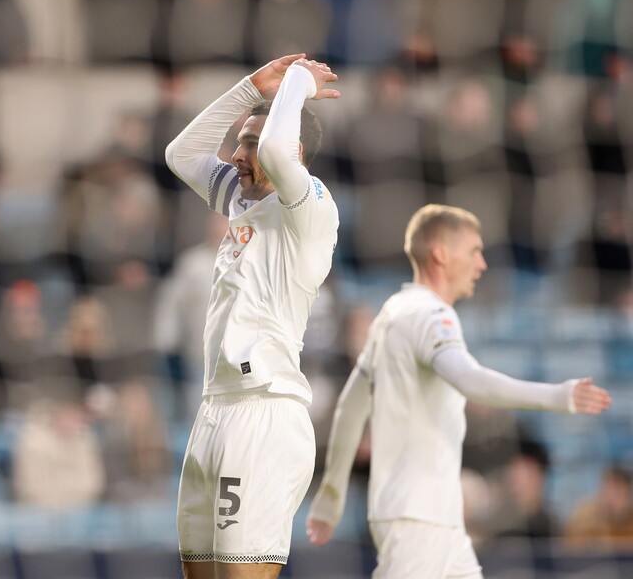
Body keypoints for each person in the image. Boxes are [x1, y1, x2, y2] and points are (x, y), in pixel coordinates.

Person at [305, 204, 612, 579]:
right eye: (474, 252)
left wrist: (332, 495)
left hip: (434, 517)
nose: (482, 264)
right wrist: (558, 397)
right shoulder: (432, 316)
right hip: (418, 518)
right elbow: (472, 381)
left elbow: (351, 408)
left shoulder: (393, 312)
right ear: (441, 254)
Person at [167, 53, 341, 578]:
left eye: (248, 143)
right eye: (239, 141)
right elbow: (181, 153)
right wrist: (249, 89)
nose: (237, 153)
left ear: (296, 150)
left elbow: (273, 150)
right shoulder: (242, 202)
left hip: (265, 412)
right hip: (214, 408)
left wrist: (297, 84)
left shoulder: (308, 208)